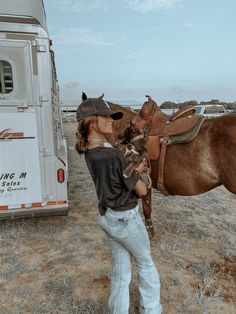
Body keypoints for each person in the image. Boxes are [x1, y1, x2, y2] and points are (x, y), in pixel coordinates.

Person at [76, 95, 162, 314]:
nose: (111, 120)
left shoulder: (90, 152)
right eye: (105, 116)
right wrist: (137, 170)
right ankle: (151, 309)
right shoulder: (114, 155)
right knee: (145, 263)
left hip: (107, 217)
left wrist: (131, 169)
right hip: (126, 217)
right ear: (91, 121)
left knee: (121, 272)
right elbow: (142, 191)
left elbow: (116, 176)